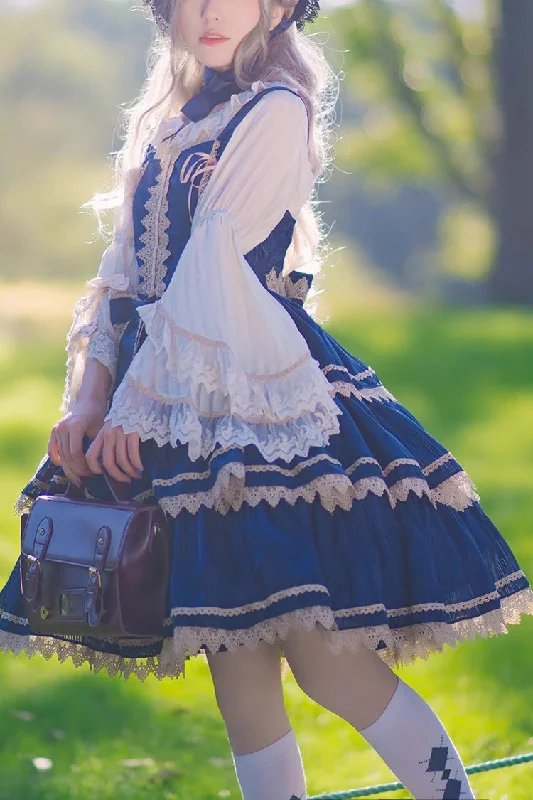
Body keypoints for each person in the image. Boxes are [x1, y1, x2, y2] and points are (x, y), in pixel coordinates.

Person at [1, 1, 532, 798]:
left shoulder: (276, 110)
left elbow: (214, 257)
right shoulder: (171, 122)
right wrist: (89, 399)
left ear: (278, 5)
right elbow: (119, 281)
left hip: (254, 401)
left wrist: (131, 410)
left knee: (329, 666)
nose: (210, 13)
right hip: (170, 408)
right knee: (237, 678)